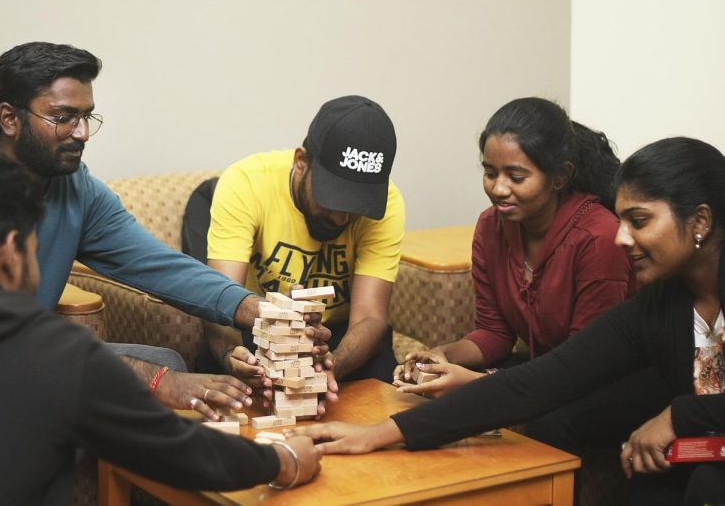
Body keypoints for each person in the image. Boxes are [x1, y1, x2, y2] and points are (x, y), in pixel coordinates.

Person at [0, 148, 321, 505]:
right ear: (8, 256)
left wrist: (248, 307)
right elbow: (182, 452)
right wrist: (284, 460)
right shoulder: (50, 356)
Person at [0, 42, 329, 420]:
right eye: (63, 117)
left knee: (166, 361)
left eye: (87, 117)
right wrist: (157, 383)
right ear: (9, 119)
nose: (81, 133)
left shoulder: (76, 190)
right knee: (154, 375)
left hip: (22, 353)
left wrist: (259, 310)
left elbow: (158, 265)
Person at [294, 136, 725, 506]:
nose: (621, 237)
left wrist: (677, 417)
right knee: (655, 481)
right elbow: (538, 383)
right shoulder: (657, 307)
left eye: (640, 221)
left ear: (700, 221)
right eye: (622, 219)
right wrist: (378, 434)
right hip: (698, 453)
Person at [394, 97, 670, 456]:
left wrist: (480, 384)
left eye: (516, 176)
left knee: (548, 425)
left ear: (560, 177)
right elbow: (494, 333)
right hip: (552, 368)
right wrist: (443, 355)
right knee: (428, 400)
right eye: (490, 173)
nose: (498, 188)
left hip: (613, 378)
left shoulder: (598, 237)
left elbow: (586, 364)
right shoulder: (490, 227)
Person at [199, 95, 405, 410]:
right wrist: (230, 357)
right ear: (301, 162)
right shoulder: (246, 183)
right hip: (256, 329)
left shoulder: (388, 204)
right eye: (332, 198)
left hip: (339, 337)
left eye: (356, 206)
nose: (340, 218)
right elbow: (219, 301)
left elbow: (370, 316)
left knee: (385, 415)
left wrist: (331, 364)